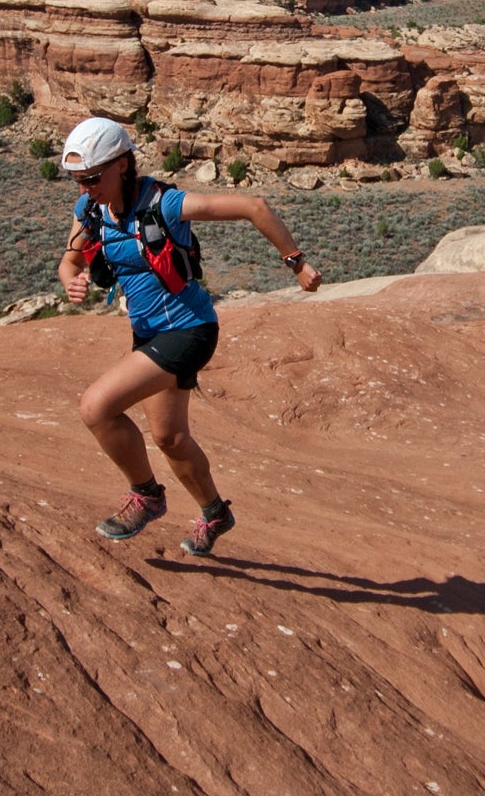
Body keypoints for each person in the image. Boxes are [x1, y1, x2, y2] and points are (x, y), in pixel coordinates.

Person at [56, 116, 320, 556]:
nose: (85, 188)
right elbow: (71, 260)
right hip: (149, 334)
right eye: (78, 180)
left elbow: (254, 206)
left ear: (122, 164)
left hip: (189, 329)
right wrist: (71, 280)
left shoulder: (166, 204)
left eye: (93, 178)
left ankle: (147, 496)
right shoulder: (90, 211)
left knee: (96, 408)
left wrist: (296, 262)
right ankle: (215, 512)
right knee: (170, 438)